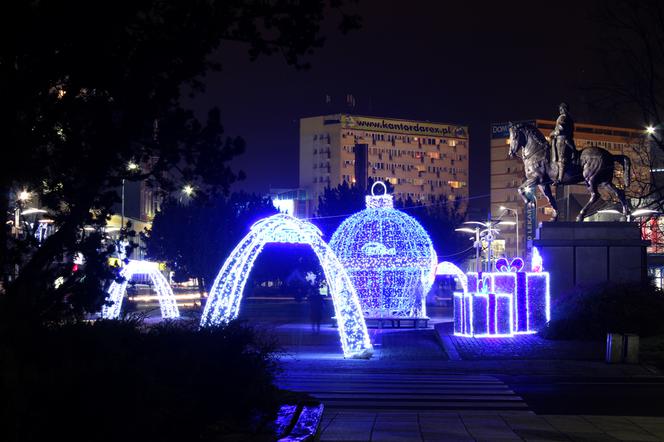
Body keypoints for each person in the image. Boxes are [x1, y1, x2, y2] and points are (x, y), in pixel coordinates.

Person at [549, 102, 576, 185]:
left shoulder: (563, 117)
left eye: (561, 109)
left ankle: (560, 179)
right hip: (566, 139)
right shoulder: (569, 117)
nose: (560, 110)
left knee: (561, 159)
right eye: (559, 109)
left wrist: (552, 133)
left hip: (562, 140)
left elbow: (560, 129)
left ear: (564, 109)